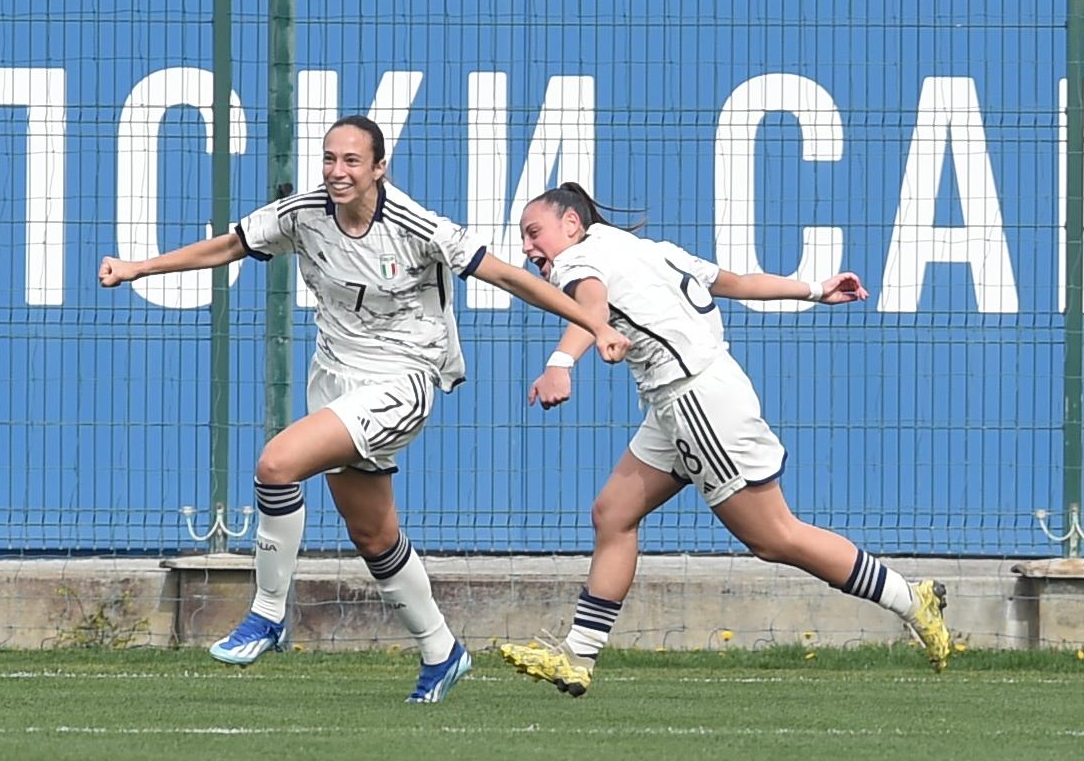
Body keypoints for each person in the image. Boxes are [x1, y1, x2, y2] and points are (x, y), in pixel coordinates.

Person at [99, 118, 631, 703]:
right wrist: (139, 267)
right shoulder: (302, 213)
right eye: (329, 159)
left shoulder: (417, 225)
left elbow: (510, 277)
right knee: (374, 534)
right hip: (334, 376)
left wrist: (595, 325)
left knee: (277, 464)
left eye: (352, 161)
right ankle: (442, 652)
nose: (337, 172)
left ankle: (268, 613)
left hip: (405, 377)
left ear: (379, 168)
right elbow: (230, 245)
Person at [498, 182, 951, 698]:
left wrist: (560, 364)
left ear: (572, 225)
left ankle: (910, 598)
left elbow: (592, 307)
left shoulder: (578, 261)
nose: (530, 248)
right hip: (685, 397)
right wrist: (815, 290)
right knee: (613, 514)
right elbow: (733, 282)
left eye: (535, 233)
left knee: (774, 536)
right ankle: (577, 658)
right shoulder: (649, 251)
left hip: (696, 402)